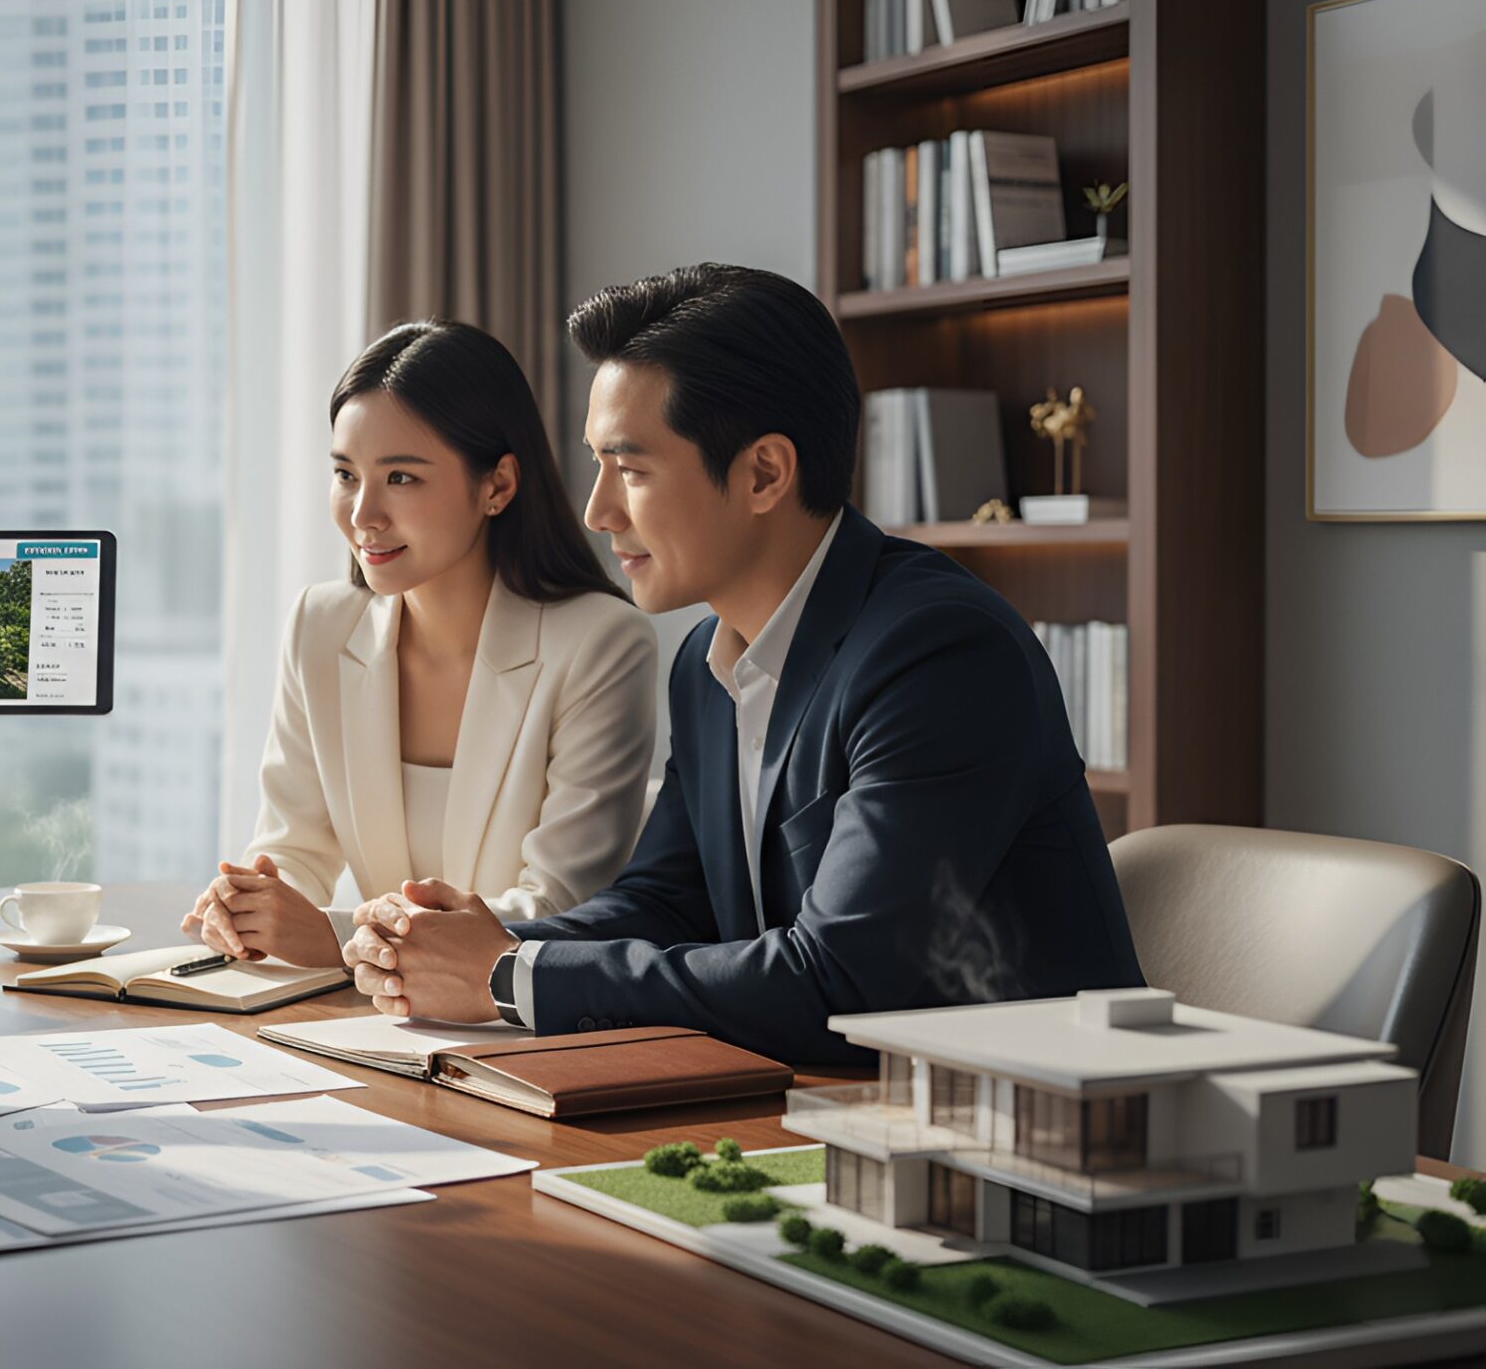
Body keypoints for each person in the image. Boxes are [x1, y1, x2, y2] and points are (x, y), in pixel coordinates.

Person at [341, 265, 1144, 1061]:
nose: (598, 510)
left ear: (764, 472)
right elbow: (665, 900)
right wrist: (470, 943)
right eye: (597, 465)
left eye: (631, 468)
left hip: (1019, 1135)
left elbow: (840, 978)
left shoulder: (939, 653)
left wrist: (511, 974)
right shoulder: (706, 662)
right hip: (824, 1110)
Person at [183, 320, 658, 968]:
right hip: (375, 1020)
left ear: (497, 485)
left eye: (401, 478)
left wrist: (333, 936)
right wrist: (250, 906)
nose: (363, 513)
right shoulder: (320, 626)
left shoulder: (602, 643)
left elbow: (555, 907)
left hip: (514, 1031)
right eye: (346, 474)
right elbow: (292, 849)